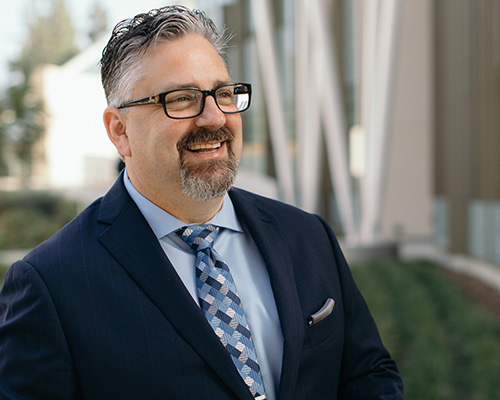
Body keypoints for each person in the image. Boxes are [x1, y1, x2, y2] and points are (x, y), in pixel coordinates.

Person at [0, 5, 404, 400]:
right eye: (181, 99)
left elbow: (368, 374)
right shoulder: (50, 285)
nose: (214, 117)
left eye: (224, 93)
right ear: (119, 130)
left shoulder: (308, 236)